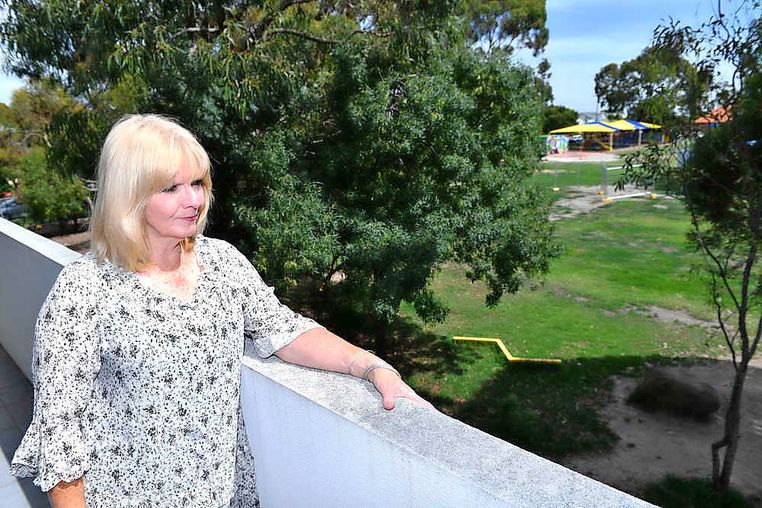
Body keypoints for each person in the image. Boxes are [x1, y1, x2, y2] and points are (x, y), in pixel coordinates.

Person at [11, 114, 433, 507]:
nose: (193, 200)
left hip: (224, 494)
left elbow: (283, 330)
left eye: (197, 183)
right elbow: (59, 433)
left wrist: (369, 366)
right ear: (129, 195)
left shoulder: (222, 262)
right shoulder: (84, 289)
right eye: (171, 188)